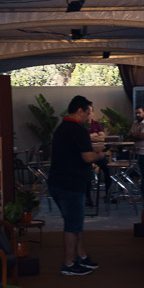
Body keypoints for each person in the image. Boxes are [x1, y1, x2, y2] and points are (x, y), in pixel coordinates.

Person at [48, 95, 105, 276]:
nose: (90, 117)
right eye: (88, 113)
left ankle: (81, 255)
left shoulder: (61, 128)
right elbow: (87, 157)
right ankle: (69, 263)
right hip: (71, 184)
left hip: (58, 182)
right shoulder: (78, 130)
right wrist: (100, 155)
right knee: (72, 225)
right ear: (80, 110)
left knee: (75, 222)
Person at [128, 106, 144, 203]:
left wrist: (137, 135)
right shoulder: (135, 123)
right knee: (122, 161)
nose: (137, 115)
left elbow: (142, 136)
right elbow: (129, 136)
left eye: (139, 112)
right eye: (136, 113)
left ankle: (142, 196)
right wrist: (137, 135)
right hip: (136, 151)